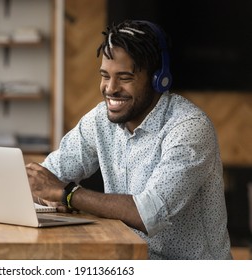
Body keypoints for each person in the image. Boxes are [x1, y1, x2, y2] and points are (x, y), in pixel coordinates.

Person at [26, 19, 232, 260]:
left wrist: (66, 193)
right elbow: (49, 178)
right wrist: (47, 195)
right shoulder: (101, 120)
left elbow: (149, 213)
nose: (110, 88)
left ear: (159, 79)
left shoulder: (189, 128)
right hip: (131, 260)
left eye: (124, 78)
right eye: (105, 76)